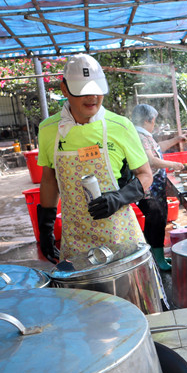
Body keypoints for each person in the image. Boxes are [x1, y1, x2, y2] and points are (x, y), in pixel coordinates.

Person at [35, 54, 153, 265]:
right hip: (76, 240)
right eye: (82, 91)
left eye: (96, 90)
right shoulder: (48, 130)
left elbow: (145, 175)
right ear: (64, 89)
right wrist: (45, 228)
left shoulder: (121, 126)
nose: (92, 97)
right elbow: (49, 180)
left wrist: (119, 198)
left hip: (119, 236)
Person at [131, 103, 187, 271]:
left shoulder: (144, 135)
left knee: (157, 219)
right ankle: (157, 261)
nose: (154, 124)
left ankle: (157, 257)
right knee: (155, 220)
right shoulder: (139, 136)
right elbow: (151, 160)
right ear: (149, 120)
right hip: (149, 188)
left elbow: (157, 150)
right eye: (154, 121)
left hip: (154, 186)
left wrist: (176, 140)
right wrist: (174, 164)